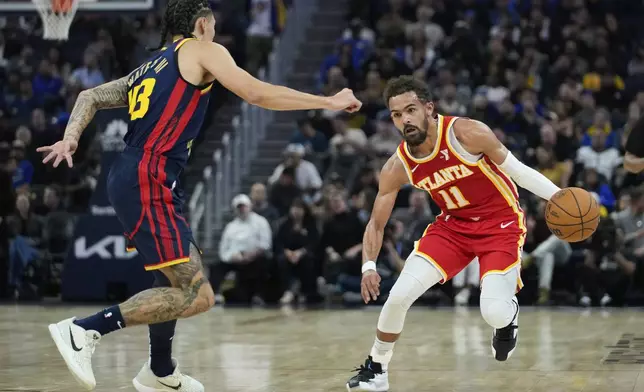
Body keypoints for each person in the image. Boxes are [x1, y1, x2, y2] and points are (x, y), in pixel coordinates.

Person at [36, 1, 361, 391]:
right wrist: (328, 102)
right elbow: (256, 93)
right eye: (214, 26)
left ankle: (159, 371)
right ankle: (84, 330)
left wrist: (70, 139)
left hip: (134, 175)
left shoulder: (149, 68)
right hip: (149, 176)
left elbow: (89, 96)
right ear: (202, 24)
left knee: (169, 278)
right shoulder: (202, 48)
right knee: (198, 293)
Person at [346, 76, 560, 392]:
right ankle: (377, 367)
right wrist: (368, 267)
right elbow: (376, 224)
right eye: (396, 114)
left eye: (410, 109)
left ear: (429, 109)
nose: (404, 119)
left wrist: (559, 195)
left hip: (499, 224)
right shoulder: (398, 166)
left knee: (493, 311)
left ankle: (508, 318)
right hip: (453, 227)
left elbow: (518, 171)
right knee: (399, 296)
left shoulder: (467, 133)